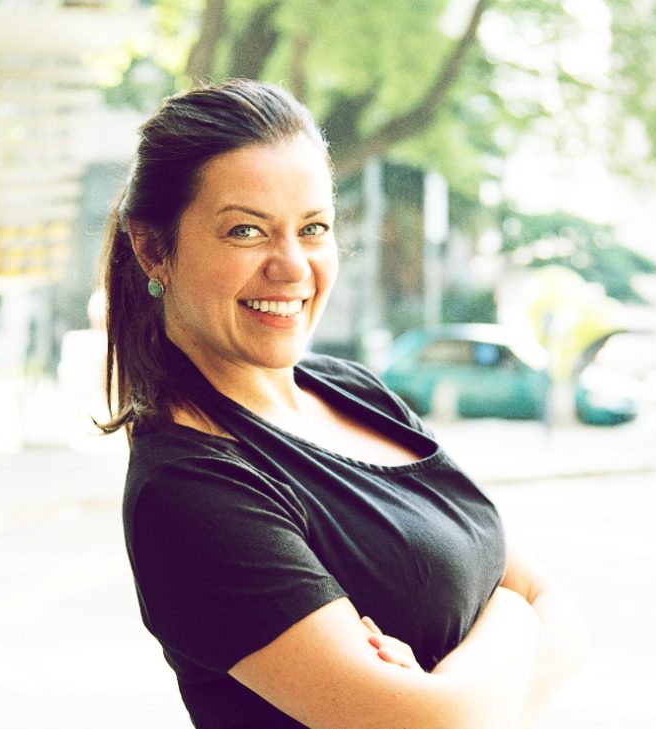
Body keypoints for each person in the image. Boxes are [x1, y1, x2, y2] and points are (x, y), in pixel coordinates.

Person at [100, 78, 588, 729]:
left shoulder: (355, 391)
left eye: (313, 228)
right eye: (246, 230)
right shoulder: (190, 490)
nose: (291, 266)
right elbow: (439, 717)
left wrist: (466, 689)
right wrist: (516, 621)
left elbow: (560, 612)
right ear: (152, 248)